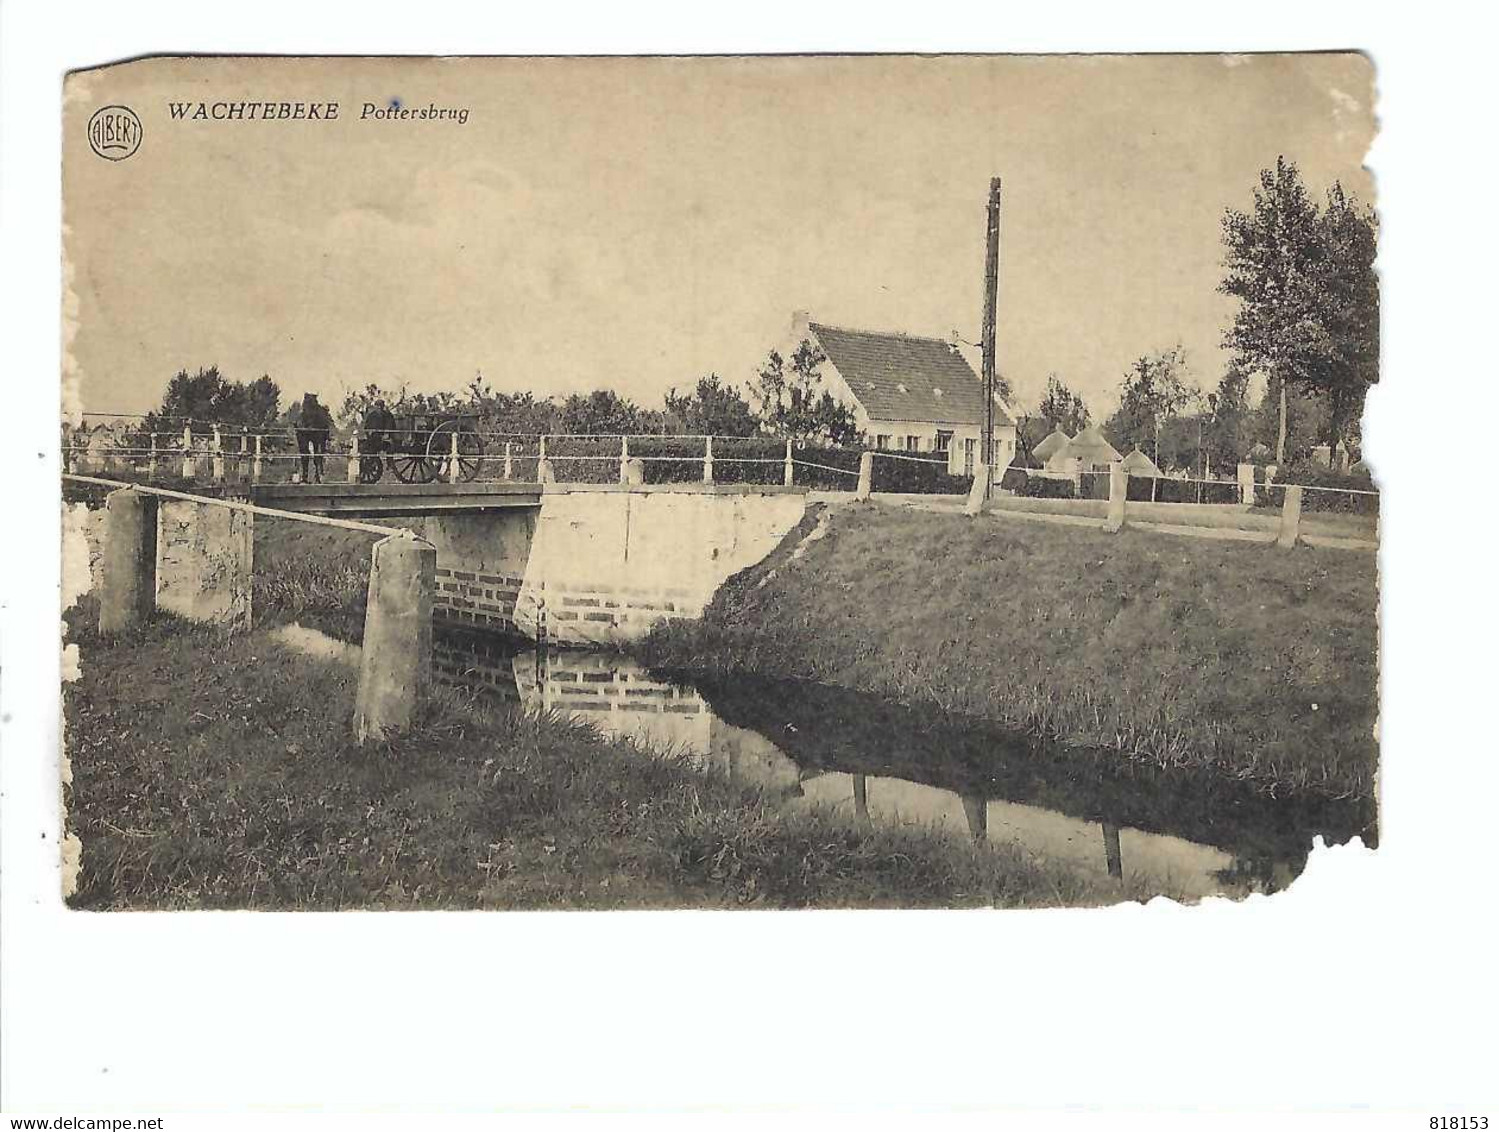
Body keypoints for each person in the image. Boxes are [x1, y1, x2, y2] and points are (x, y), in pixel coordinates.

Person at [295, 393, 334, 483]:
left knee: (317, 453)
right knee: (305, 452)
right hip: (306, 431)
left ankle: (317, 474)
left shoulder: (319, 413)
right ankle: (307, 475)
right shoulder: (303, 414)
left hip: (316, 432)